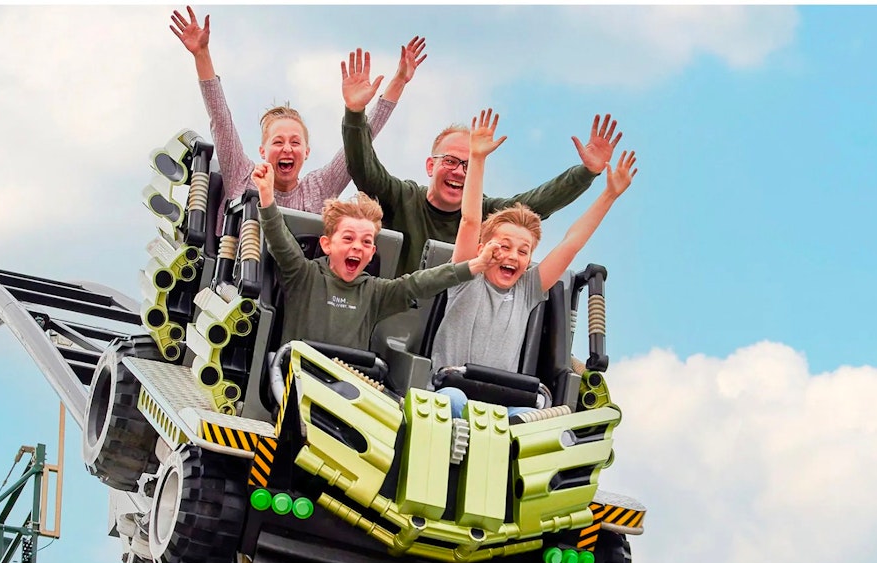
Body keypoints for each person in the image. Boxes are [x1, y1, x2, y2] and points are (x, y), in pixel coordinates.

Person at [431, 109, 637, 421]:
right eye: (504, 245)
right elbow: (471, 219)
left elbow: (571, 243)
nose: (513, 256)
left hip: (502, 403)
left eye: (523, 251)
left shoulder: (528, 288)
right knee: (453, 404)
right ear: (482, 247)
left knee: (534, 421)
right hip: (451, 389)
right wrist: (477, 159)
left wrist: (608, 195)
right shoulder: (466, 274)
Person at [170, 6, 427, 235]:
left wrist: (397, 83)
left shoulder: (318, 188)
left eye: (295, 143)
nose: (287, 149)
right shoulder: (242, 175)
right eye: (278, 142)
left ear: (306, 152)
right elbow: (220, 119)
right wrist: (201, 54)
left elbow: (361, 144)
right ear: (263, 150)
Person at [342, 81, 622, 275]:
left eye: (468, 164)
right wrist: (355, 114)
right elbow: (365, 169)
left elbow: (537, 203)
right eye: (450, 161)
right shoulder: (402, 197)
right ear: (431, 165)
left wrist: (586, 172)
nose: (458, 172)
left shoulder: (488, 214)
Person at [250, 163, 501, 352]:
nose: (357, 247)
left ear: (372, 254)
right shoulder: (303, 275)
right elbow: (279, 239)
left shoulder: (375, 292)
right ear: (326, 244)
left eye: (366, 242)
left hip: (346, 390)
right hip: (294, 380)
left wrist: (474, 266)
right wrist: (266, 193)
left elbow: (419, 283)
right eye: (348, 238)